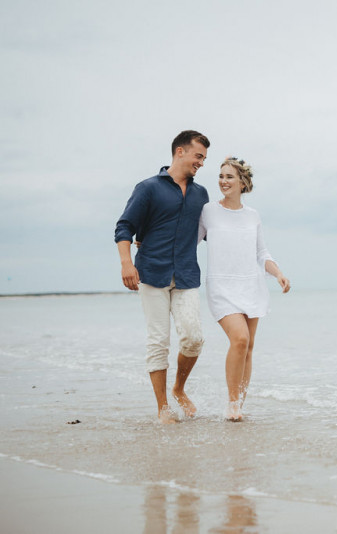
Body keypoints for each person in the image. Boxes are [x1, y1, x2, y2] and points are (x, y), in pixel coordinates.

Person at [115, 130, 210, 424]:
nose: (201, 163)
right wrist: (126, 264)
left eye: (204, 159)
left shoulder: (201, 194)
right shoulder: (148, 188)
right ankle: (163, 408)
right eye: (198, 156)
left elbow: (212, 232)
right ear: (180, 151)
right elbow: (124, 226)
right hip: (151, 272)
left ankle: (179, 388)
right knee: (158, 341)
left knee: (193, 338)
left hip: (186, 274)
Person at [198, 156, 290, 421]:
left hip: (251, 284)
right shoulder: (208, 211)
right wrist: (152, 244)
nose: (223, 181)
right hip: (221, 286)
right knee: (239, 339)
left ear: (242, 183)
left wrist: (278, 273)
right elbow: (188, 241)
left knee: (248, 347)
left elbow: (262, 252)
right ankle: (231, 403)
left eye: (229, 177)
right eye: (221, 176)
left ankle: (238, 405)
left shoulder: (253, 216)